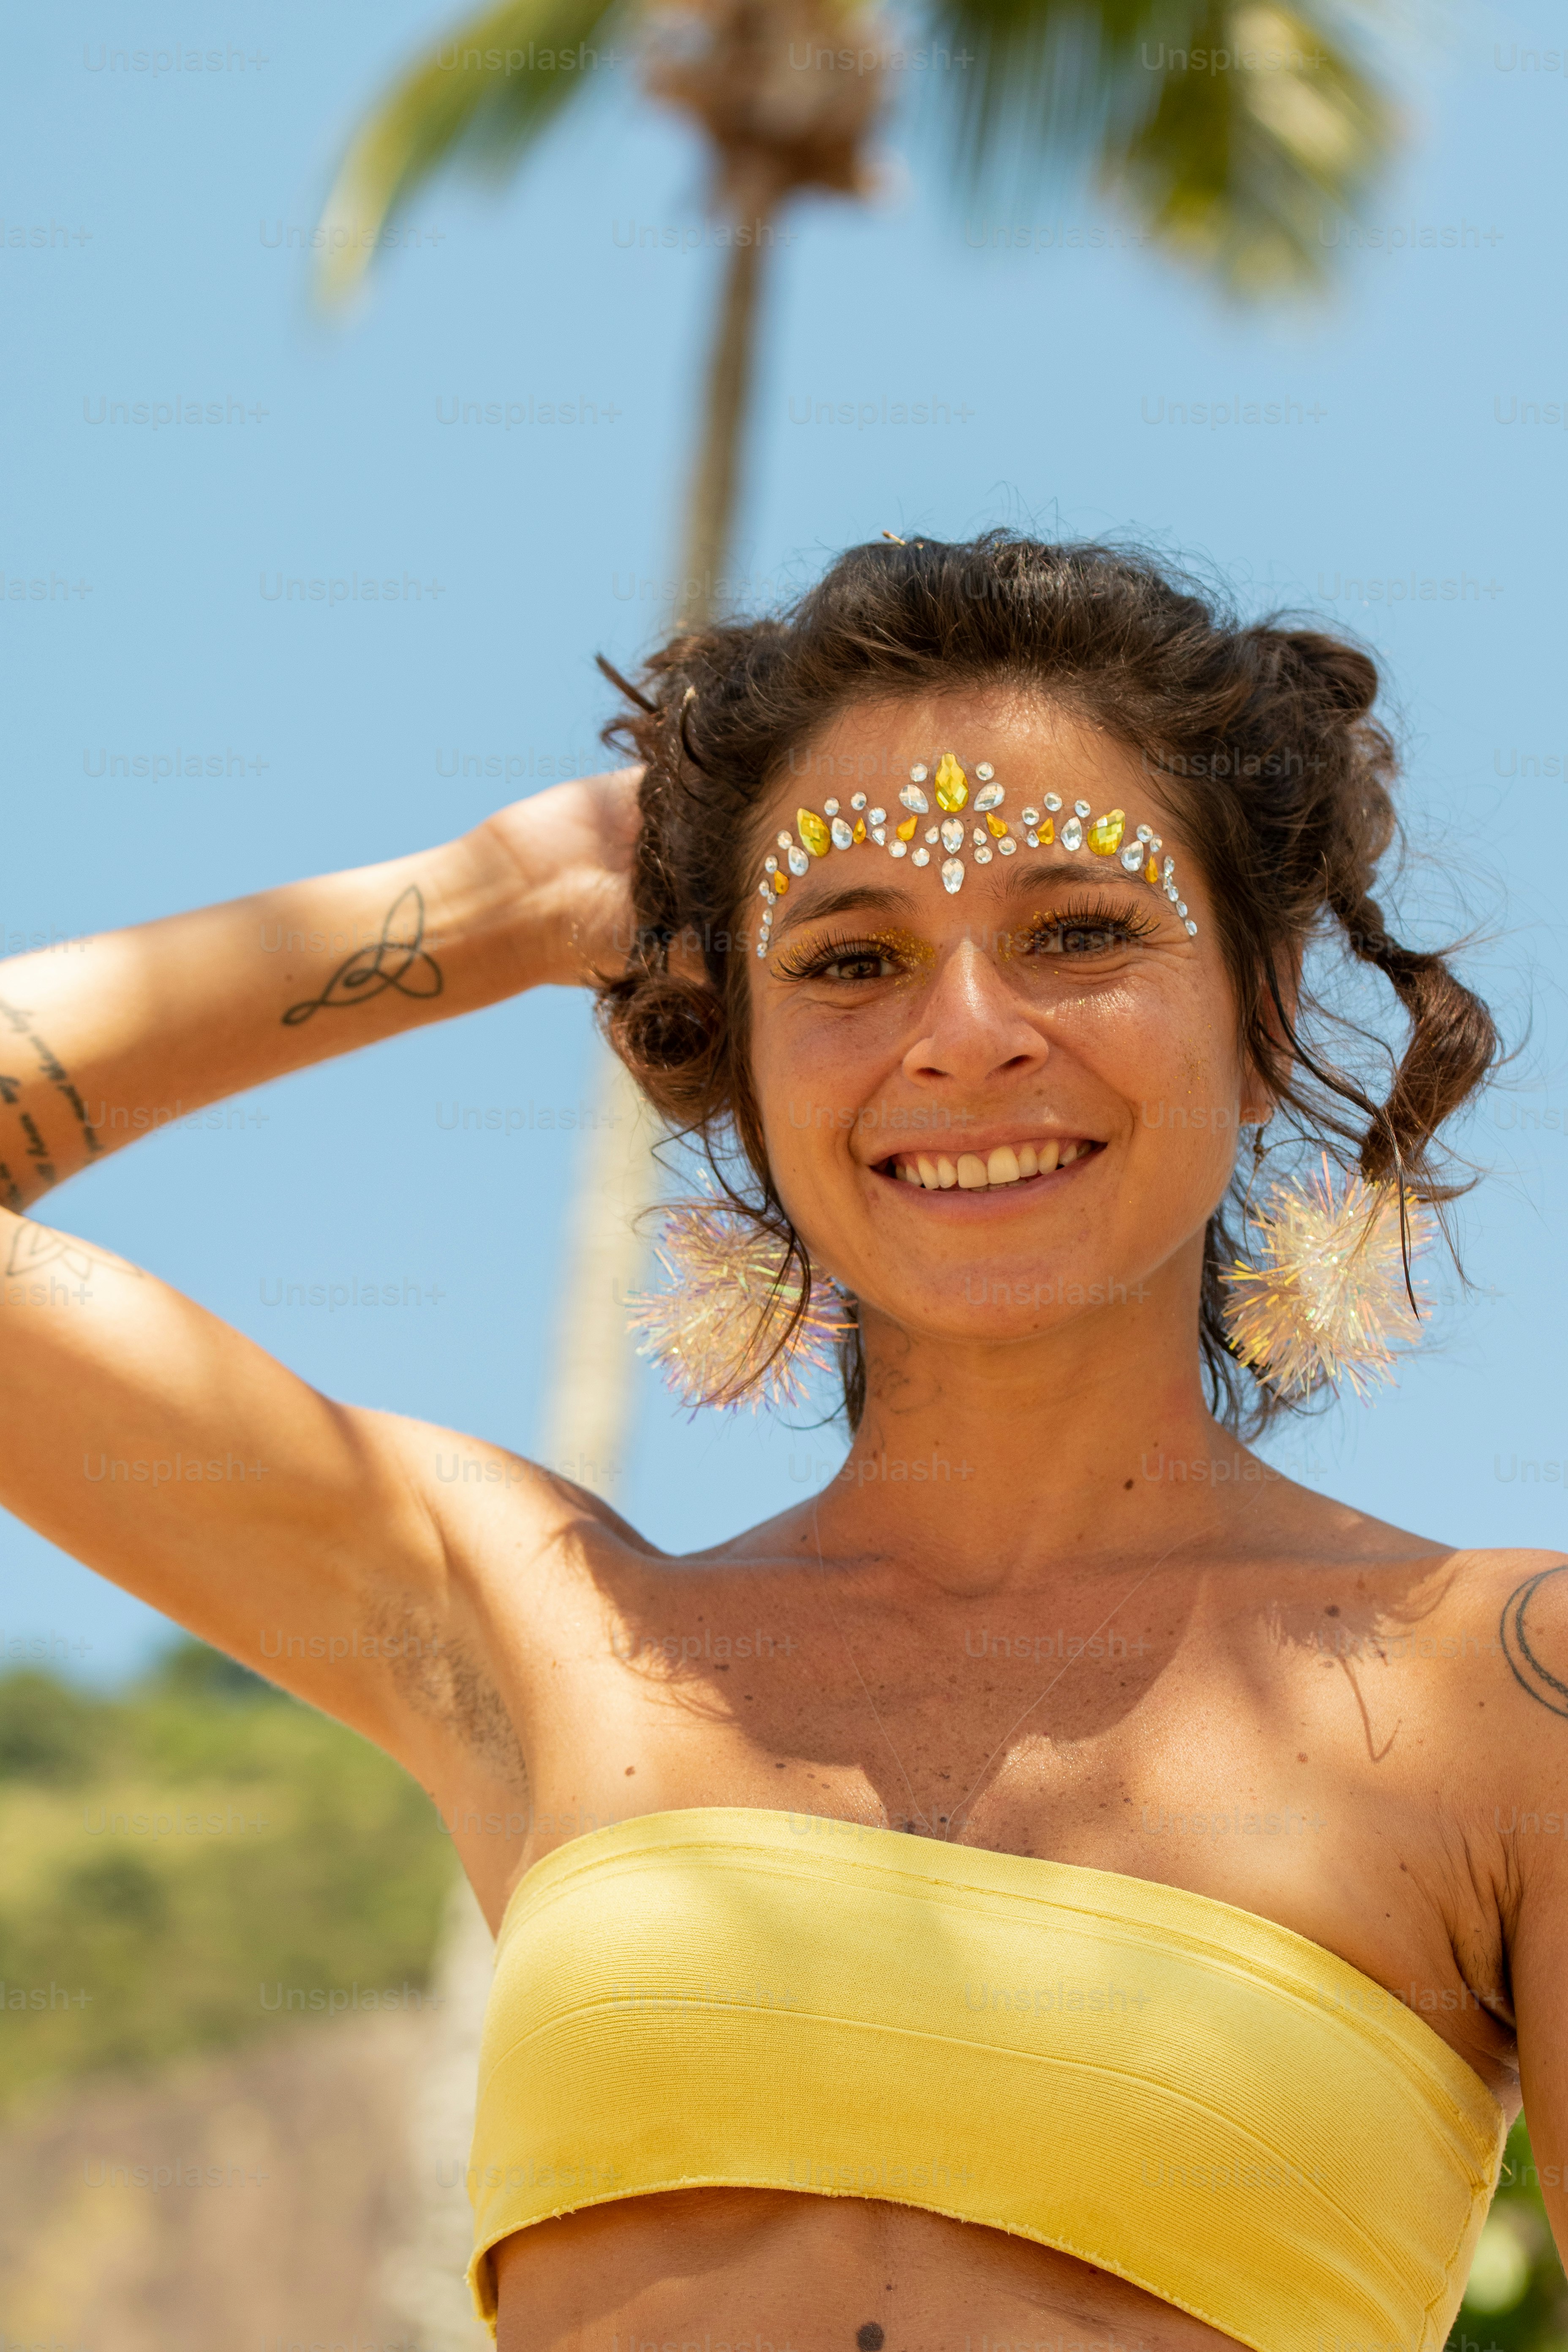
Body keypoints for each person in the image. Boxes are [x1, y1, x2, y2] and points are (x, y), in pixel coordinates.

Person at [1, 533, 1562, 2352]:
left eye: (1075, 931)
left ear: (1263, 999)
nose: (964, 1037)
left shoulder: (1497, 1696)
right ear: (735, 1056)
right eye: (848, 956)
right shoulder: (558, 1641)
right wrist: (495, 899)